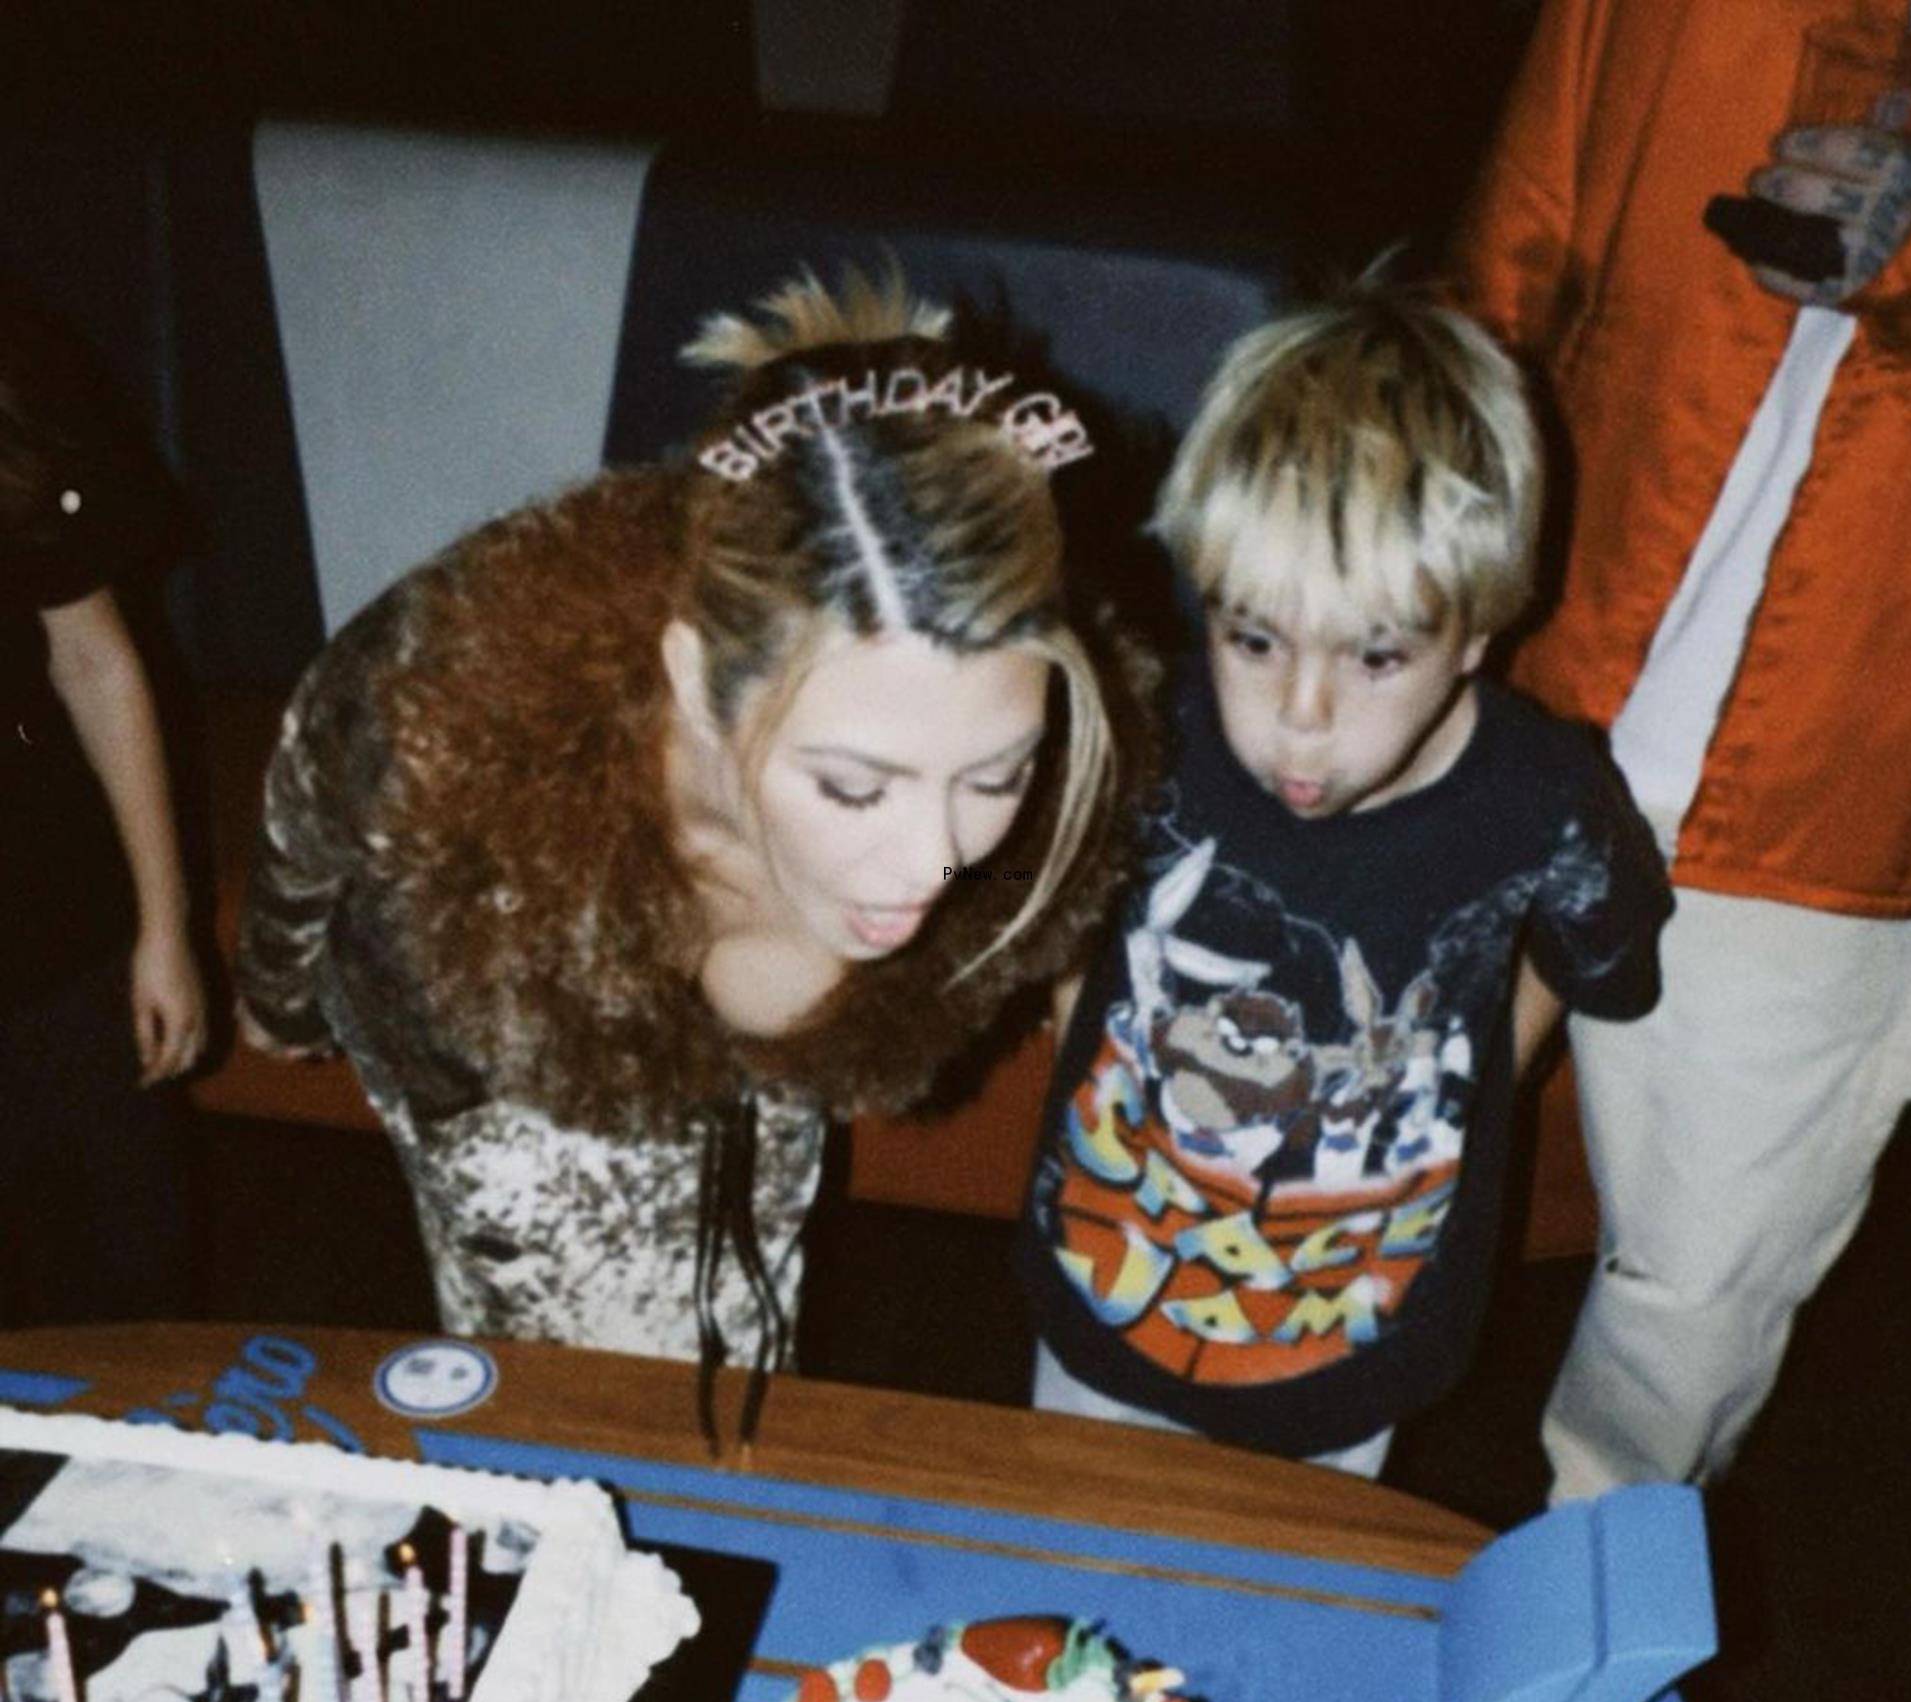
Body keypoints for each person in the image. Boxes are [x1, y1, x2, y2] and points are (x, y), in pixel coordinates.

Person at [236, 271, 1150, 1446]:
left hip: (733, 1026)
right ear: (691, 685)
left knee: (749, 1321)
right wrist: (275, 994)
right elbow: (314, 769)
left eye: (995, 776)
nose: (936, 861)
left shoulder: (1043, 777)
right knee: (563, 1376)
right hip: (488, 1022)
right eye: (856, 786)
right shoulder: (453, 699)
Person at [1018, 285, 1671, 1475]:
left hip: (1357, 1341)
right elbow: (1058, 908)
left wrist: (1477, 1074)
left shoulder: (1549, 796)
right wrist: (1080, 1022)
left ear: (1477, 629)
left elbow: (1594, 967)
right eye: (1254, 640)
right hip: (1101, 1294)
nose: (1299, 723)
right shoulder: (1142, 724)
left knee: (1292, 1605)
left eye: (1376, 656)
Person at [1451, 0, 1911, 1495]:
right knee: (1332, 1188)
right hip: (1532, 687)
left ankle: (1565, 1698)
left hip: (1839, 783)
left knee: (1686, 1319)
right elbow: (1507, 269)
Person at [0, 291, 207, 1326]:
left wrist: (165, 931)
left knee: (125, 1304)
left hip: (51, 920)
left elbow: (95, 660)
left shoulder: (16, 365)